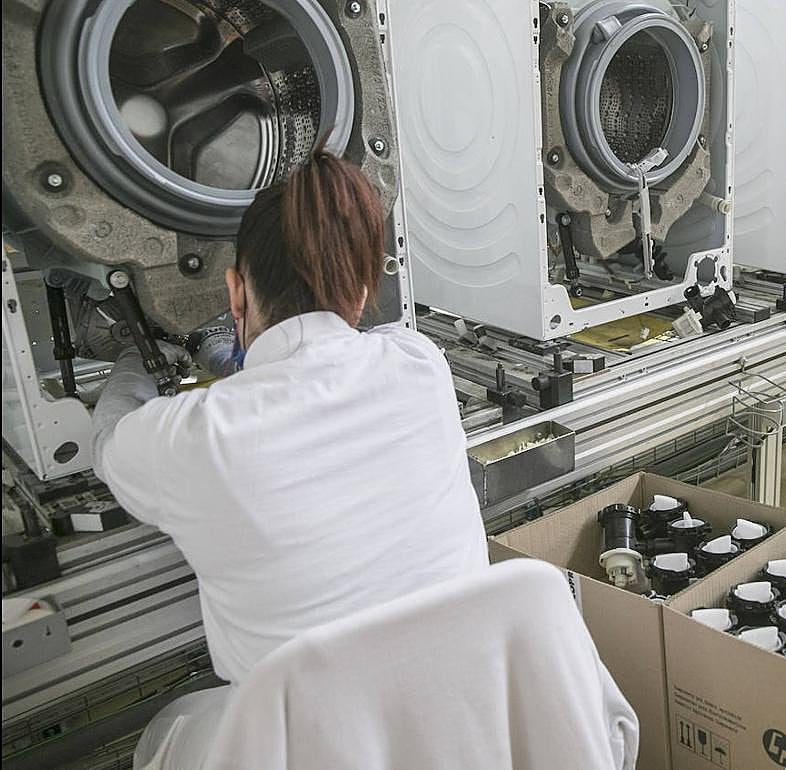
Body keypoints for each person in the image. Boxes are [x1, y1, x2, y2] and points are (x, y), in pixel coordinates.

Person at [92, 150, 489, 768]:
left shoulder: (190, 436)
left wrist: (137, 359)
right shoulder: (420, 363)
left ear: (234, 291)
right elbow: (310, 370)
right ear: (361, 290)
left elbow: (111, 441)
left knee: (170, 731)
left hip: (316, 746)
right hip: (464, 725)